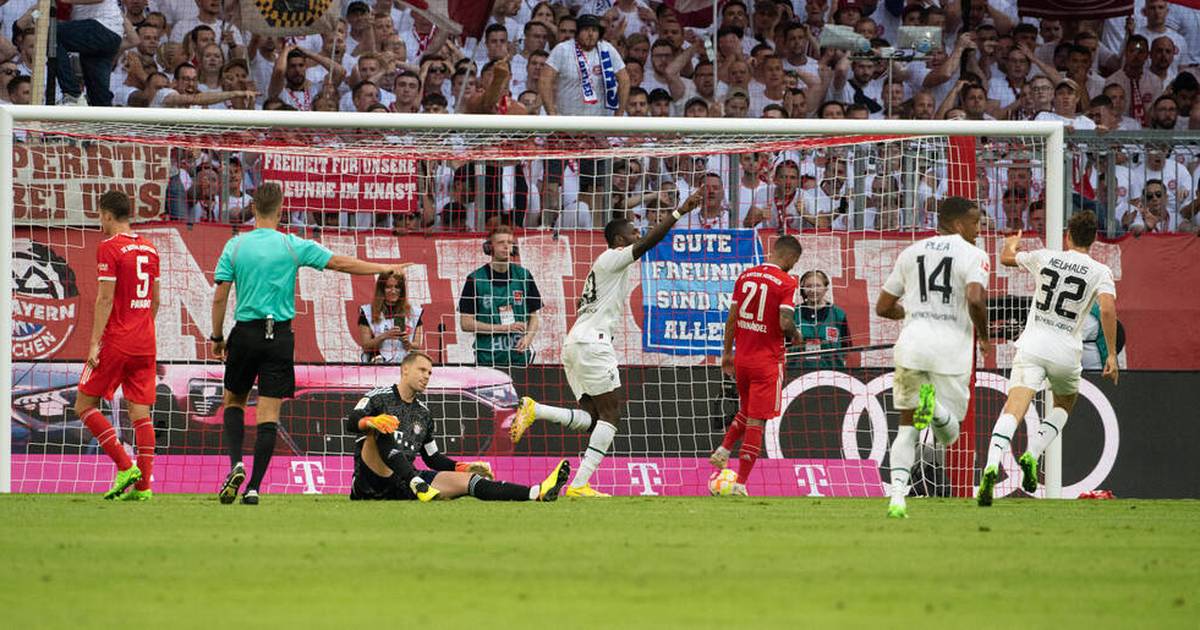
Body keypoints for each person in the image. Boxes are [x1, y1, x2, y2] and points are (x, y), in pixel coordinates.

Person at [210, 183, 409, 505]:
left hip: (245, 332)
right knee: (269, 414)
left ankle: (236, 464)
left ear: (253, 209)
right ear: (281, 208)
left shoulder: (235, 246)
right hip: (279, 337)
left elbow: (220, 295)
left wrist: (217, 336)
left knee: (233, 400)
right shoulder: (292, 245)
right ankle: (254, 488)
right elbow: (342, 264)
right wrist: (383, 268)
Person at [507, 188, 704, 497]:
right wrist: (679, 212)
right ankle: (580, 485)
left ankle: (537, 409)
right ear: (619, 241)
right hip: (593, 344)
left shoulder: (606, 268)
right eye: (633, 232)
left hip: (576, 343)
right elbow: (648, 244)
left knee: (595, 419)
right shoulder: (612, 257)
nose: (638, 234)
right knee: (612, 416)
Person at [977, 212, 1118, 506]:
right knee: (1065, 403)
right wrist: (1112, 354)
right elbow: (1106, 310)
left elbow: (1005, 259)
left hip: (1033, 345)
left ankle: (991, 464)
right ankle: (1034, 453)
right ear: (1094, 240)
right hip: (1066, 351)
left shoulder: (1045, 257)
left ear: (1067, 235)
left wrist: (1012, 243)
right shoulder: (1099, 271)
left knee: (1013, 407)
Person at [874, 196, 991, 519]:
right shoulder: (974, 254)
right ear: (957, 224)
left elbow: (883, 307)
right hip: (950, 349)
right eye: (975, 223)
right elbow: (975, 299)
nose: (979, 230)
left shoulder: (911, 252)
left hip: (912, 344)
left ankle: (897, 496)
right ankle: (935, 406)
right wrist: (983, 335)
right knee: (949, 433)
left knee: (907, 429)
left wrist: (911, 313)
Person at [345, 351, 571, 502]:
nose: (427, 376)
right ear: (405, 370)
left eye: (430, 373)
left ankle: (536, 493)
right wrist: (371, 421)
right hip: (370, 481)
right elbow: (352, 421)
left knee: (470, 483)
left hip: (403, 484)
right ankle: (416, 483)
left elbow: (433, 459)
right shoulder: (379, 397)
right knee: (382, 425)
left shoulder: (423, 413)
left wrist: (464, 467)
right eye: (422, 370)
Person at [74, 191, 160, 500]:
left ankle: (125, 466)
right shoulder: (151, 249)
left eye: (100, 216)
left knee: (83, 405)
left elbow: (106, 298)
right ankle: (144, 487)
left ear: (108, 215)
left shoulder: (109, 248)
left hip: (117, 341)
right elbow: (156, 301)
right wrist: (141, 327)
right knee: (140, 413)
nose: (100, 222)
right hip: (145, 341)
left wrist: (95, 342)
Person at [709, 236, 804, 495]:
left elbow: (732, 318)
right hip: (767, 362)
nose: (794, 267)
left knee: (748, 409)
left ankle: (723, 450)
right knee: (757, 421)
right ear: (790, 258)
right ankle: (740, 484)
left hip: (743, 358)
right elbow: (785, 322)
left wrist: (727, 354)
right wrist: (796, 335)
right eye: (795, 262)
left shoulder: (746, 276)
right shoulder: (787, 282)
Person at [458, 225, 543, 368]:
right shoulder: (475, 279)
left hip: (519, 357)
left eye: (509, 243)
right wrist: (504, 328)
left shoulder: (524, 276)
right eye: (501, 243)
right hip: (487, 357)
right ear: (490, 248)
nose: (506, 247)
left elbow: (534, 316)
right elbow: (465, 323)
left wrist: (528, 338)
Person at [55, 0, 124, 105]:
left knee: (52, 34)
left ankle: (72, 93)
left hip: (101, 26)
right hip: (107, 32)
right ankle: (105, 119)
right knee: (98, 96)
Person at [789, 270, 851, 370]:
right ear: (803, 289)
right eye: (808, 286)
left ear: (826, 288)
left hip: (831, 374)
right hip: (797, 375)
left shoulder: (838, 314)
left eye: (818, 286)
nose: (813, 290)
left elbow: (846, 346)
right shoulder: (793, 314)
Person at [358, 271, 423, 363]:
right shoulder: (367, 311)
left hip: (406, 366)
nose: (393, 291)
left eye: (397, 287)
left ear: (402, 290)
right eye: (388, 287)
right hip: (377, 366)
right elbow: (366, 345)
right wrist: (385, 336)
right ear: (381, 289)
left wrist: (408, 344)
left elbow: (417, 345)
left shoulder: (414, 312)